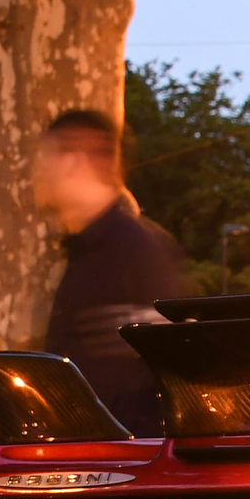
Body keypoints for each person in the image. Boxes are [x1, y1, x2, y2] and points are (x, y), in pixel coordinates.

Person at [31, 109, 185, 434]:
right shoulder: (86, 250)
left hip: (119, 470)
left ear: (76, 159)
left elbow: (152, 387)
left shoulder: (131, 252)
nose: (36, 173)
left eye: (44, 158)